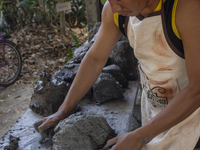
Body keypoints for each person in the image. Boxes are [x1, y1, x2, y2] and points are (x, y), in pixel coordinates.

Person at [35, 0, 200, 149]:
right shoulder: (115, 11)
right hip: (155, 108)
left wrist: (141, 135)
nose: (114, 7)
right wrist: (63, 110)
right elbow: (95, 59)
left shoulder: (186, 8)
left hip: (193, 119)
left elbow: (197, 88)